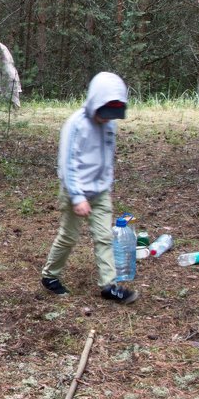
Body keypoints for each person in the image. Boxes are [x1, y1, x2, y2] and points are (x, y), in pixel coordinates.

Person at [39, 71, 137, 304]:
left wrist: (105, 184)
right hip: (76, 191)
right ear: (95, 102)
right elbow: (68, 163)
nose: (107, 118)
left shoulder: (110, 125)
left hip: (100, 192)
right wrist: (77, 196)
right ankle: (50, 276)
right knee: (69, 236)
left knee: (104, 237)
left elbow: (107, 156)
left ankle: (108, 286)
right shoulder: (77, 124)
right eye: (104, 113)